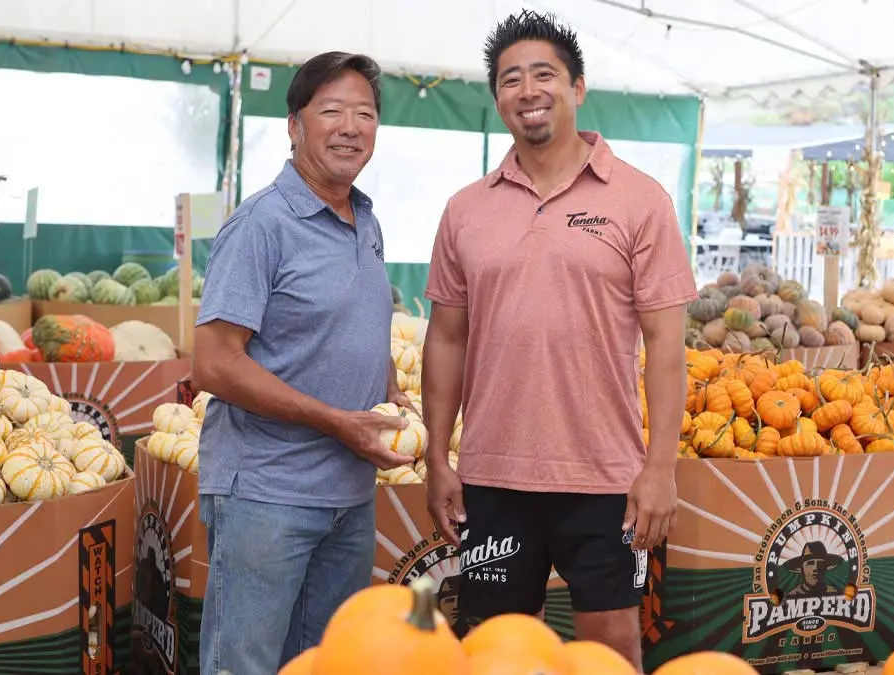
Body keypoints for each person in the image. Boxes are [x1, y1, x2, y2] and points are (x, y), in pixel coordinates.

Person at [421, 9, 697, 670]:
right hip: (492, 475)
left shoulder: (640, 199)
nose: (528, 90)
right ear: (497, 100)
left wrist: (660, 466)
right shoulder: (466, 208)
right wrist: (436, 455)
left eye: (544, 73)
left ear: (577, 87)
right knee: (497, 651)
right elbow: (446, 338)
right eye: (511, 79)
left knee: (611, 648)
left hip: (605, 476)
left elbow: (665, 343)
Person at [190, 51, 414, 675]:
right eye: (332, 111)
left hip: (348, 494)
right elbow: (212, 363)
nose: (351, 127)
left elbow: (355, 323)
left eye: (365, 114)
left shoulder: (363, 218)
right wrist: (335, 421)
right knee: (248, 664)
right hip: (268, 495)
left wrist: (390, 394)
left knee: (329, 663)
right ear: (294, 125)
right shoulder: (261, 224)